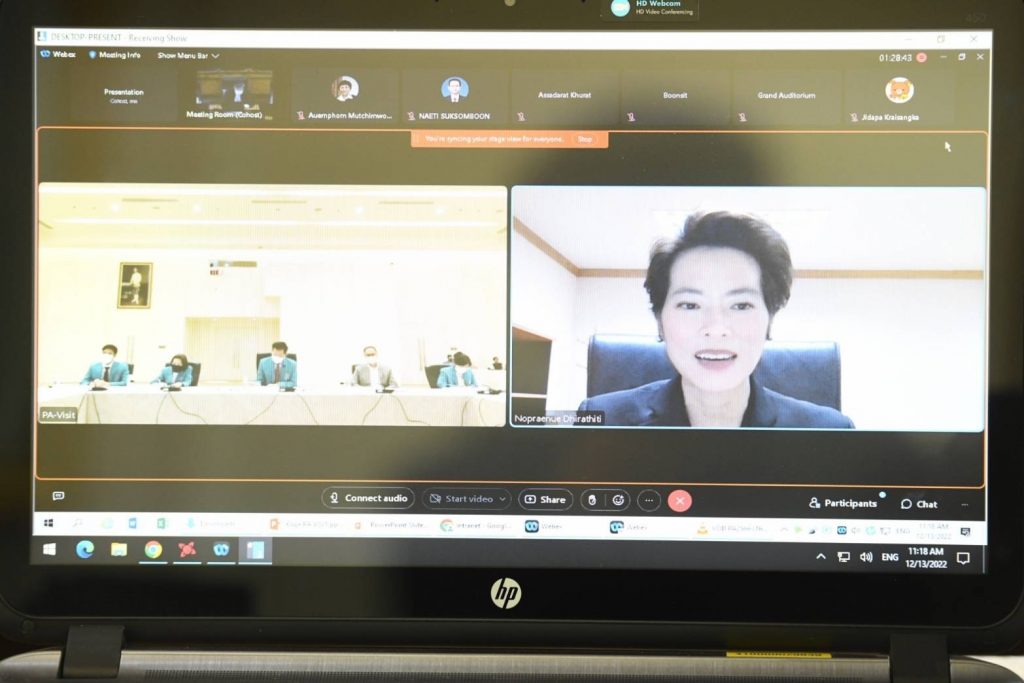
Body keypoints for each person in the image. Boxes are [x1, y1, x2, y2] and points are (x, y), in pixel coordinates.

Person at [579, 211, 853, 428]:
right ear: (660, 320)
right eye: (690, 305)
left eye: (741, 305)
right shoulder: (598, 418)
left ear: (769, 319)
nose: (716, 329)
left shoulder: (831, 430)